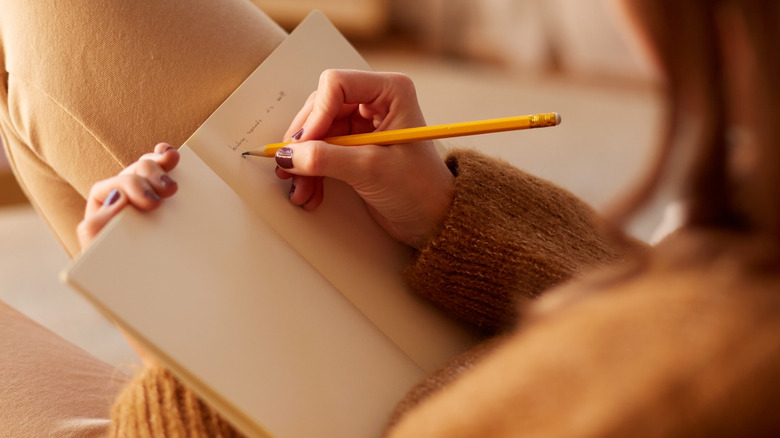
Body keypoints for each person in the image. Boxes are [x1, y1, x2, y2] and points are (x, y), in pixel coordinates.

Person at [8, 1, 780, 437]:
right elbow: (635, 325)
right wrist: (452, 213)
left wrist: (183, 348)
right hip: (481, 342)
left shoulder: (720, 379)